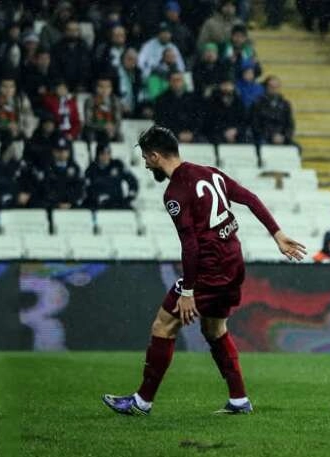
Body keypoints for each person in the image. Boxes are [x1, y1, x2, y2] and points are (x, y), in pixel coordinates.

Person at [102, 125, 306, 415]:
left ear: (156, 156)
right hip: (233, 261)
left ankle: (142, 402)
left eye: (146, 158)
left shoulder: (175, 192)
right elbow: (249, 197)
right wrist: (277, 233)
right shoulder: (210, 172)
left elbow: (190, 245)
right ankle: (239, 400)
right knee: (214, 328)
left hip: (210, 268)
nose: (146, 164)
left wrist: (188, 290)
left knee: (163, 325)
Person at [32, 136, 85, 209]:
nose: (62, 153)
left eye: (64, 150)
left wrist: (70, 202)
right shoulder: (46, 168)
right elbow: (44, 189)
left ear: (69, 152)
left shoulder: (75, 168)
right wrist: (56, 204)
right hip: (51, 207)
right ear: (53, 151)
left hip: (71, 207)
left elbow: (79, 189)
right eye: (58, 151)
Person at [84, 142, 139, 209]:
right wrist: (95, 199)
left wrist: (130, 197)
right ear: (97, 155)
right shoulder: (92, 169)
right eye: (102, 154)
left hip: (117, 204)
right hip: (98, 206)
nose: (106, 156)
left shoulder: (117, 165)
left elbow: (132, 180)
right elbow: (87, 188)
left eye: (108, 153)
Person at [0, 140, 33, 209]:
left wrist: (26, 194)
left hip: (22, 200)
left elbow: (27, 182)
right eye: (9, 150)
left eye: (12, 150)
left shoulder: (20, 166)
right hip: (3, 200)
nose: (11, 152)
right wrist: (15, 196)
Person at [0, 77, 34, 142]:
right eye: (4, 87)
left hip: (21, 131)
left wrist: (20, 128)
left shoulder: (21, 100)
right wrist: (7, 125)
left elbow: (28, 117)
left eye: (11, 87)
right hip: (2, 131)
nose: (8, 90)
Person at [251, 76, 295, 145]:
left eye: (276, 87)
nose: (274, 89)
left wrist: (284, 137)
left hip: (282, 137)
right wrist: (271, 136)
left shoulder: (285, 104)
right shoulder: (258, 103)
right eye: (271, 86)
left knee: (296, 147)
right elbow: (256, 125)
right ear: (266, 87)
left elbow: (290, 124)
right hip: (264, 138)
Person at [84, 76, 123, 142]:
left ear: (111, 88)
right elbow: (88, 122)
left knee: (120, 136)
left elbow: (118, 121)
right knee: (91, 134)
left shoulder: (115, 101)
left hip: (111, 131)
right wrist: (103, 126)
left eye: (107, 87)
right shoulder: (90, 101)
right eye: (101, 87)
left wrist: (112, 128)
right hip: (95, 130)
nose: (104, 90)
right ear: (96, 88)